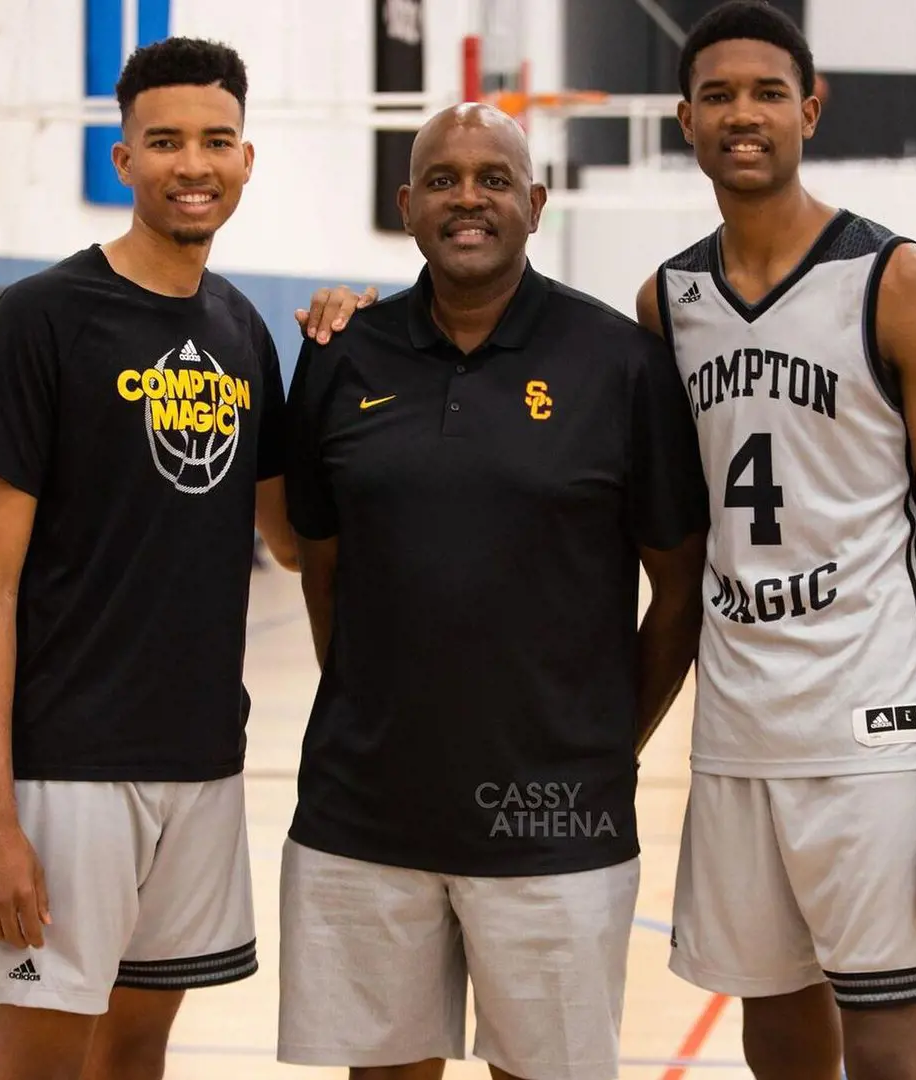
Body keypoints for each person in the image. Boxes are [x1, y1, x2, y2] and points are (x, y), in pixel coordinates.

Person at [0, 36, 361, 1080]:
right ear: (124, 158)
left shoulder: (240, 330)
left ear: (247, 159)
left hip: (203, 758)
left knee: (138, 1050)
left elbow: (282, 533)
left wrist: (341, 363)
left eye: (216, 141)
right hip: (67, 770)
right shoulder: (47, 318)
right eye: (165, 141)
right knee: (42, 1059)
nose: (194, 163)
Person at [278, 102, 709, 1080]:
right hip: (365, 810)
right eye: (442, 178)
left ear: (536, 202)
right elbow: (323, 567)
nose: (468, 197)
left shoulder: (623, 366)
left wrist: (603, 745)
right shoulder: (340, 357)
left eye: (493, 178)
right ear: (407, 203)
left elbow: (676, 594)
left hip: (558, 819)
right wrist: (375, 713)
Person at [634, 4, 916, 1079]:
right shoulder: (668, 301)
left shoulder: (898, 281)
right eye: (718, 95)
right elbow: (679, 553)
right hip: (740, 723)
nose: (743, 113)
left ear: (811, 110)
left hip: (873, 727)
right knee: (776, 1032)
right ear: (685, 119)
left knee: (886, 1037)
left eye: (767, 92)